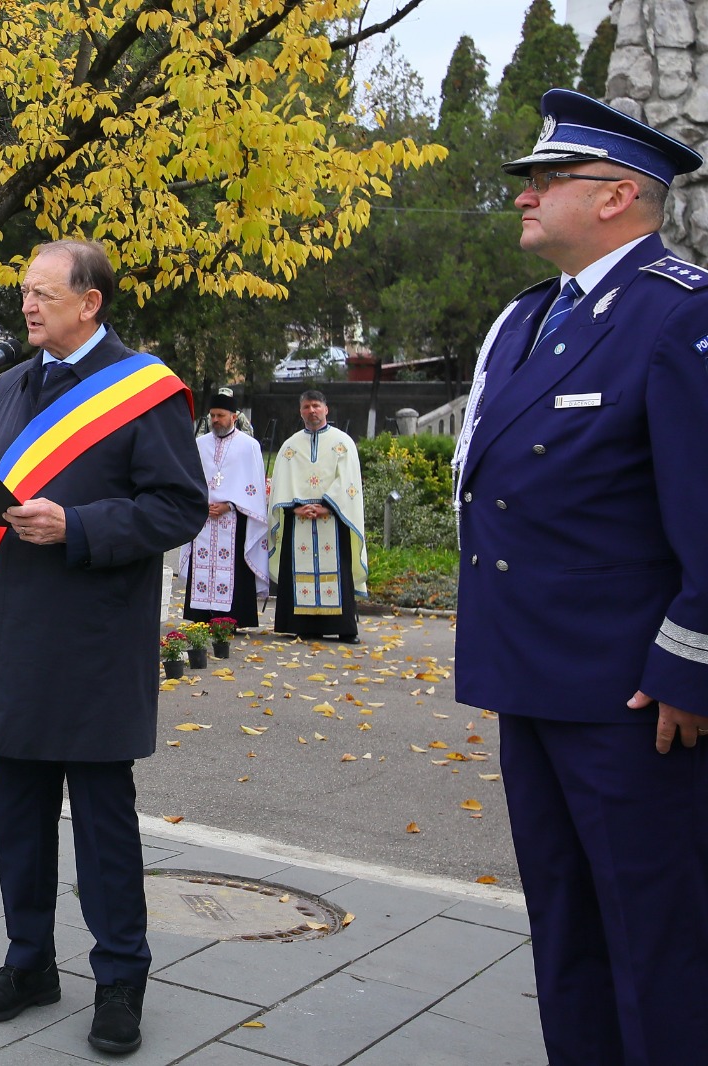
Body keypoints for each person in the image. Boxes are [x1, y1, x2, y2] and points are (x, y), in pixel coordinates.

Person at [452, 89, 708, 1066]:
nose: (522, 195)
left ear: (615, 197)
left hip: (633, 699)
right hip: (533, 678)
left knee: (658, 944)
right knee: (566, 931)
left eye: (544, 179)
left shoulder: (677, 317)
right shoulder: (523, 322)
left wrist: (691, 665)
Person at [0, 240, 205, 1055]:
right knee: (17, 815)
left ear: (91, 301)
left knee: (101, 824)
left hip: (93, 638)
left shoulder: (144, 389)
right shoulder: (13, 386)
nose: (27, 306)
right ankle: (30, 961)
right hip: (18, 628)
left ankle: (121, 977)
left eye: (43, 293)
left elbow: (178, 508)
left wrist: (79, 524)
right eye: (23, 293)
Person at [266, 390, 365, 643]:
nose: (312, 410)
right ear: (301, 412)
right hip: (298, 519)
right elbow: (280, 485)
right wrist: (295, 508)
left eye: (317, 406)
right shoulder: (290, 446)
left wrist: (327, 507)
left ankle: (344, 628)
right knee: (298, 571)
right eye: (307, 406)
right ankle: (303, 625)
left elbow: (349, 482)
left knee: (338, 570)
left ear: (326, 409)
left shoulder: (343, 443)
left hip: (333, 518)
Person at [179, 389, 268, 629]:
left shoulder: (249, 446)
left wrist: (229, 505)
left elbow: (255, 487)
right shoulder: (199, 444)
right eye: (212, 416)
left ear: (234, 417)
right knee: (202, 564)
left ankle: (234, 618)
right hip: (204, 518)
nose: (215, 420)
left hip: (234, 519)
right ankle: (201, 616)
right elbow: (189, 480)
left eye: (220, 415)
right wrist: (201, 503)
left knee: (234, 568)